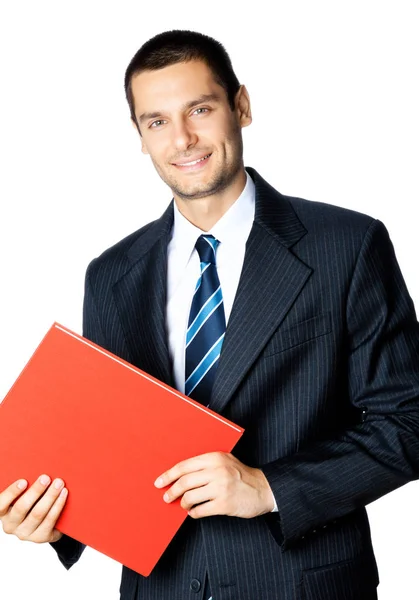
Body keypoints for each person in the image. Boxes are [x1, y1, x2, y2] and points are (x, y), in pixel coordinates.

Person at [1, 29, 419, 600]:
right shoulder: (111, 276)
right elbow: (109, 449)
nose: (183, 139)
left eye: (200, 109)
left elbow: (409, 423)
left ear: (240, 106)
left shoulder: (347, 245)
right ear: (140, 136)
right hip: (163, 589)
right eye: (157, 121)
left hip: (303, 585)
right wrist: (51, 520)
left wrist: (267, 487)